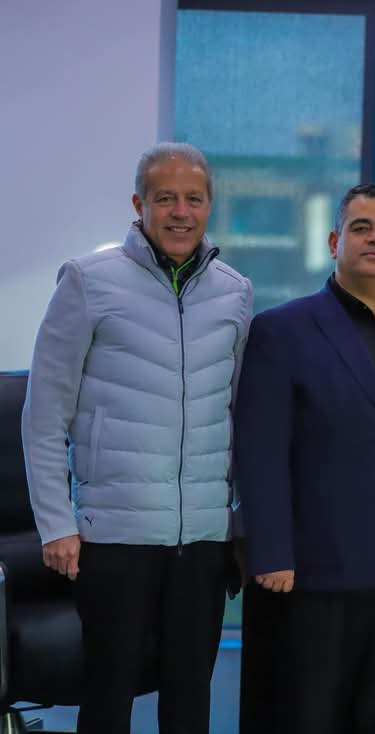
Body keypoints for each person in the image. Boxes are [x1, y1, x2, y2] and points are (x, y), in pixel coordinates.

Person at [20, 142, 253, 734]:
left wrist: (238, 521)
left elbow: (238, 415)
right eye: (165, 198)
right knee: (109, 696)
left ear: (209, 205)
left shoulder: (235, 291)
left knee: (190, 699)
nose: (180, 212)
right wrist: (56, 524)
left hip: (202, 539)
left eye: (193, 198)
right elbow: (43, 416)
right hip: (114, 537)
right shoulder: (87, 280)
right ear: (138, 204)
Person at [234, 183, 375, 734]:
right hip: (313, 570)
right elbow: (259, 452)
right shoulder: (280, 331)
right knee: (307, 716)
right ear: (335, 242)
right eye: (361, 228)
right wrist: (270, 552)